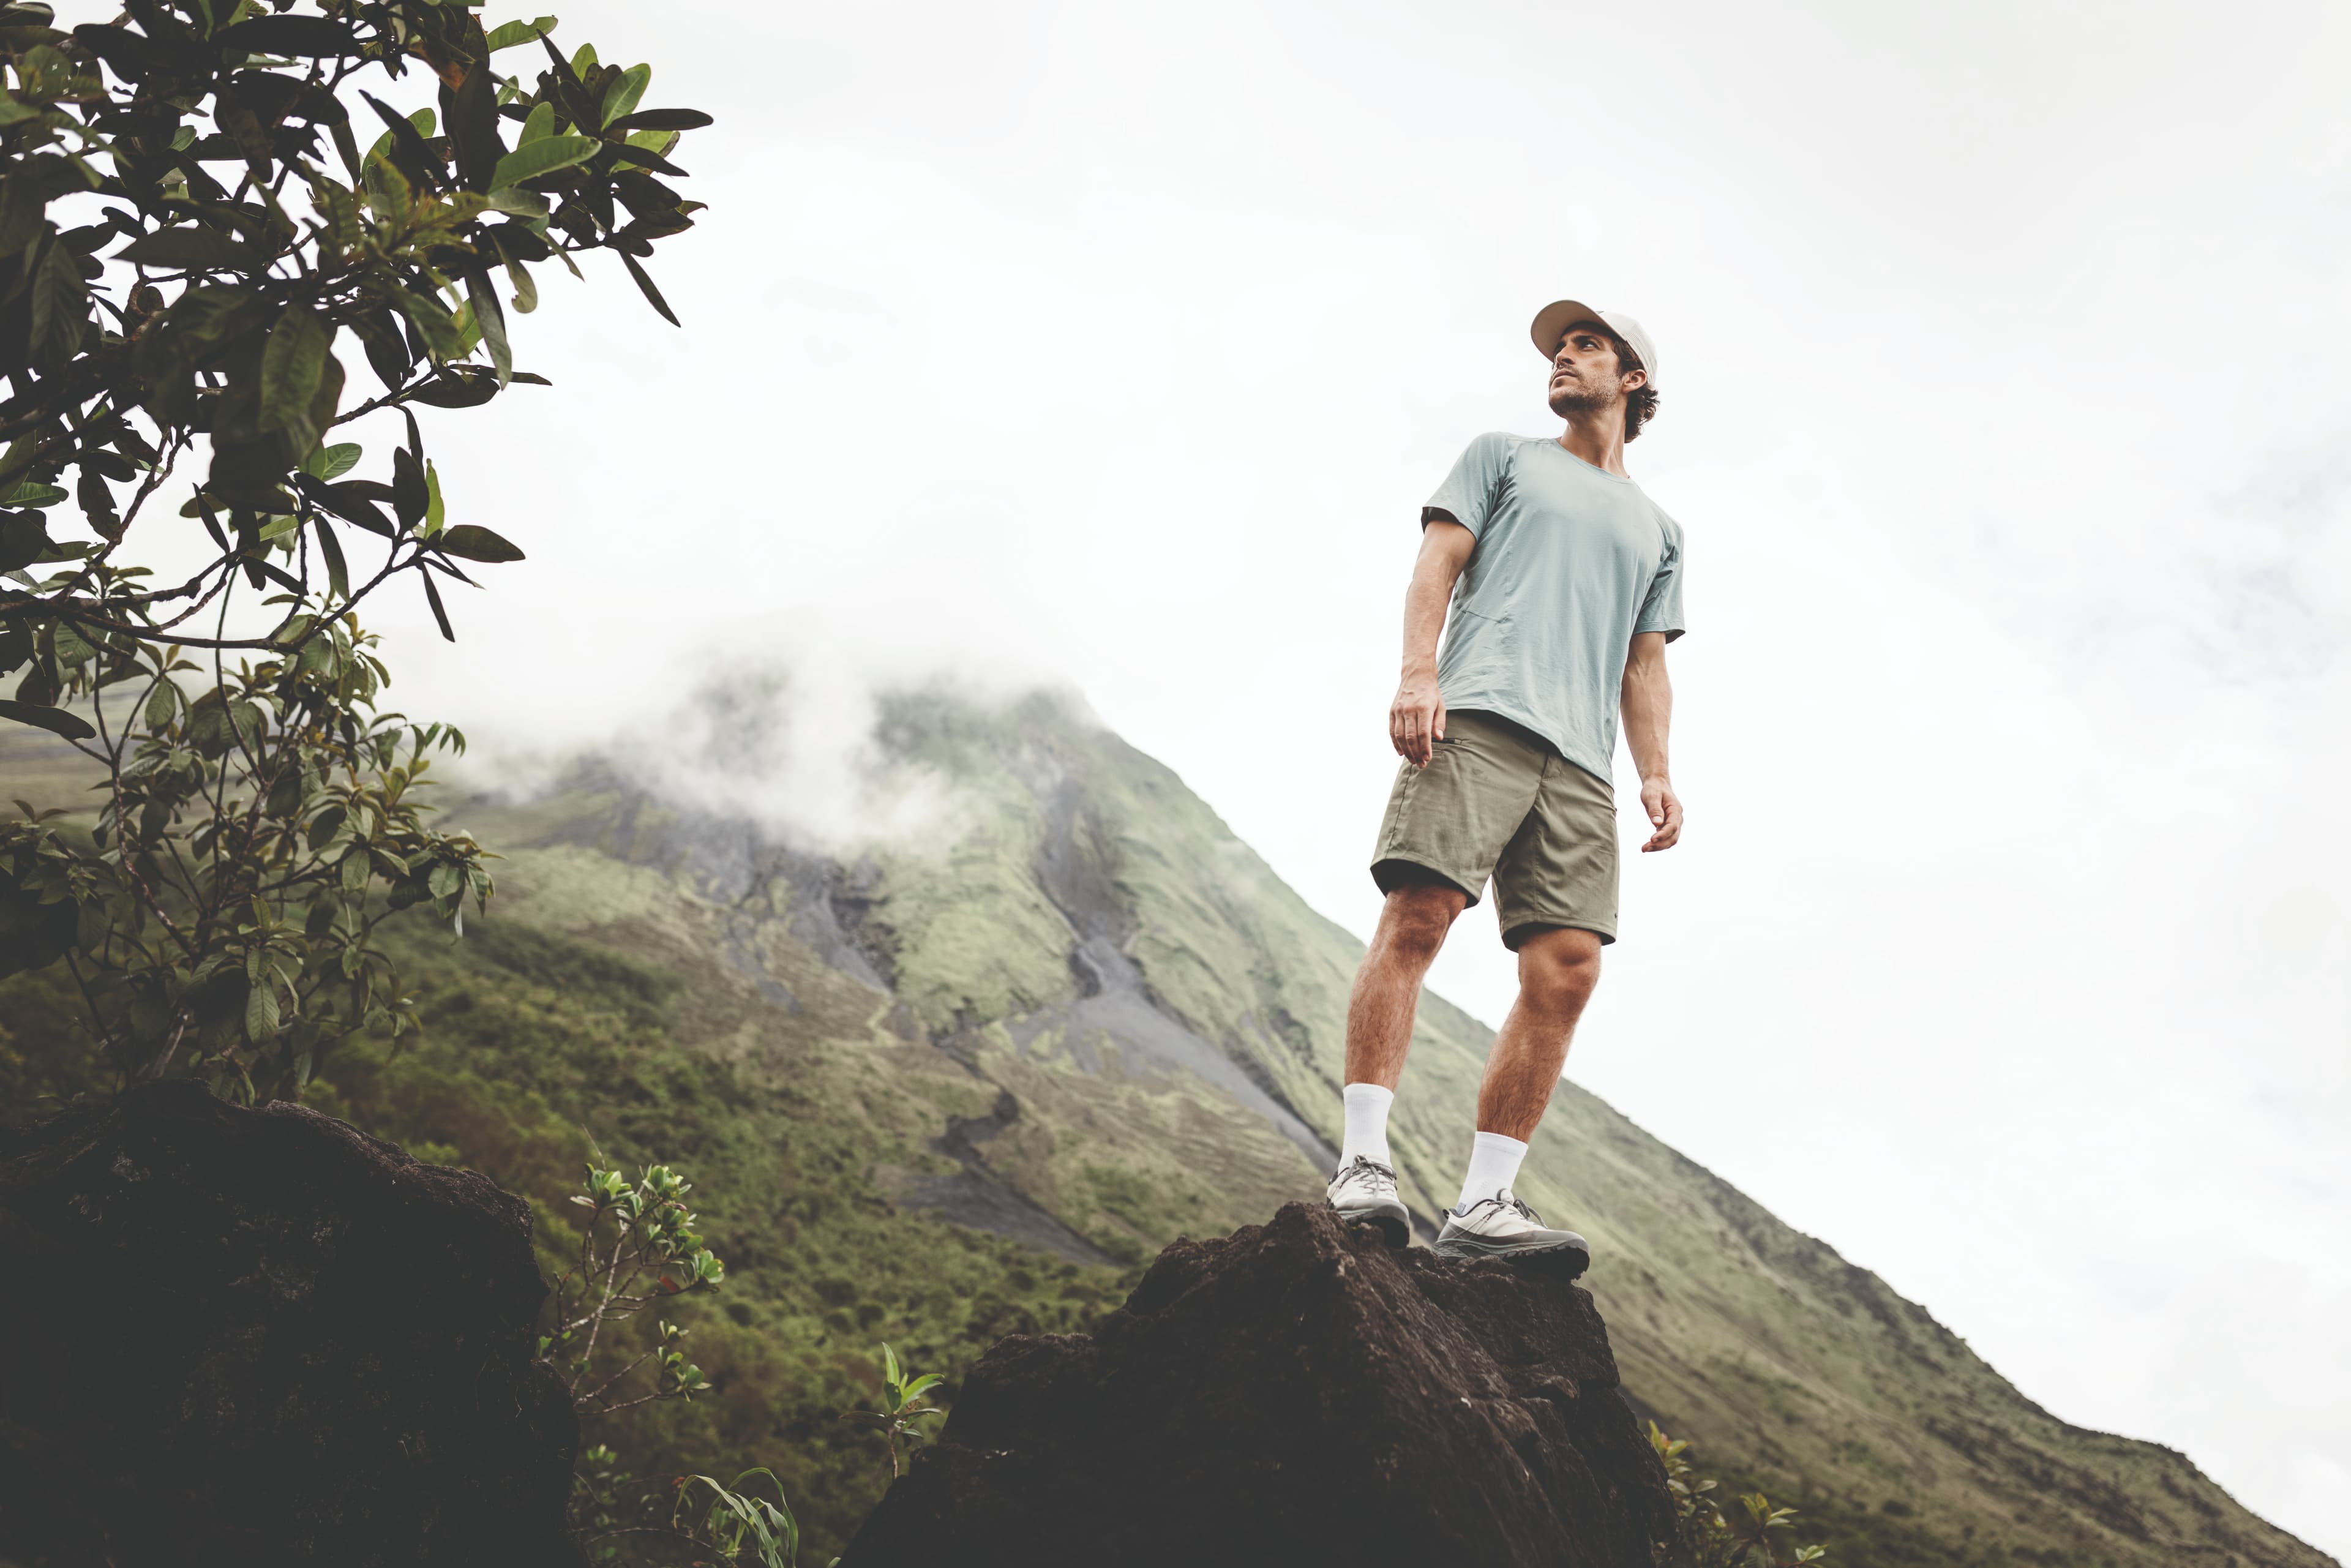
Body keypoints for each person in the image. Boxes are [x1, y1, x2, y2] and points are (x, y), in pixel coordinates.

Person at [1325, 299, 1686, 1269]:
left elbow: (1644, 662)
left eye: (1586, 347)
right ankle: (1363, 1163)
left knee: (1568, 968)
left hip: (1579, 763)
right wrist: (1417, 672)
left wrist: (1654, 771)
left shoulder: (1660, 529)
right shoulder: (1503, 456)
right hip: (1480, 715)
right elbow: (1437, 561)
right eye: (1559, 349)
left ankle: (1484, 1202)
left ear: (1633, 380)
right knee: (1421, 912)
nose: (1563, 360)